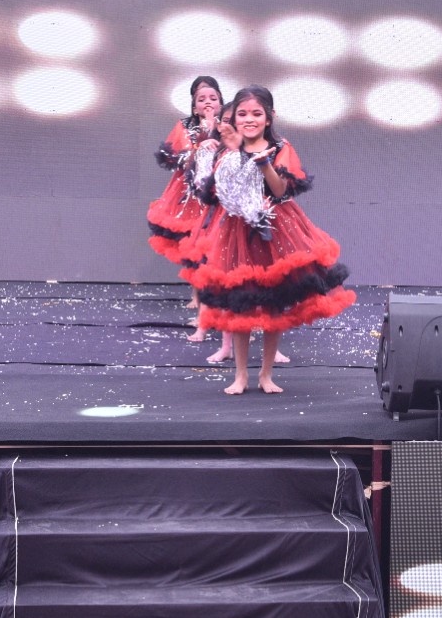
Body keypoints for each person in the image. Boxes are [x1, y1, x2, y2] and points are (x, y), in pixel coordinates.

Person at [179, 85, 354, 394]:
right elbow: (218, 190)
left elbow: (279, 189)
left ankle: (266, 374)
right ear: (234, 117)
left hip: (276, 230)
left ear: (269, 118)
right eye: (242, 114)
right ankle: (240, 375)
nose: (249, 119)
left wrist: (263, 163)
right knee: (241, 304)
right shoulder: (226, 149)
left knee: (275, 303)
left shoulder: (280, 147)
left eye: (256, 114)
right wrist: (231, 152)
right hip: (237, 232)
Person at [148, 75, 221, 341]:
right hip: (190, 195)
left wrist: (215, 130)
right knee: (194, 247)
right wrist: (200, 142)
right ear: (193, 104)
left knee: (216, 251)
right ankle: (200, 301)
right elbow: (176, 157)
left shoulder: (228, 126)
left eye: (213, 98)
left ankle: (218, 309)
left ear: (221, 102)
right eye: (201, 99)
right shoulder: (185, 126)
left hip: (219, 195)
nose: (207, 102)